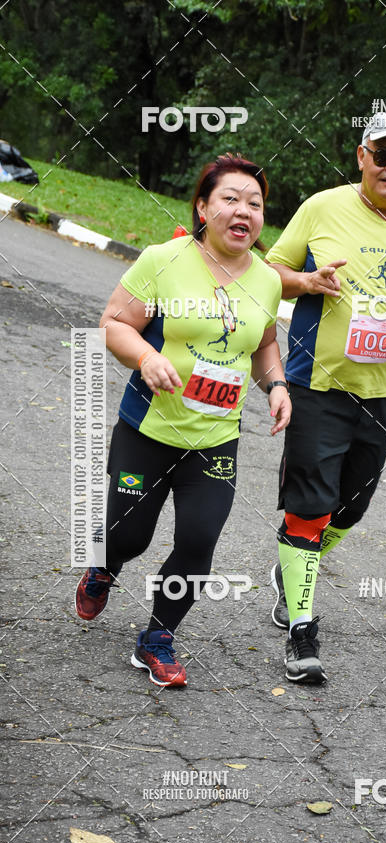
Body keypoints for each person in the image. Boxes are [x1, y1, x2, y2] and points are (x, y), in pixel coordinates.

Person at [75, 153, 291, 688]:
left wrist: (278, 386)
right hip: (146, 432)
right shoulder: (163, 260)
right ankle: (105, 564)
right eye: (230, 199)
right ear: (202, 206)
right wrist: (147, 358)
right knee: (128, 535)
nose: (244, 211)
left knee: (198, 541)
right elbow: (113, 325)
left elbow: (263, 345)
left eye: (255, 204)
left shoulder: (266, 280)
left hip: (215, 440)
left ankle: (157, 639)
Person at [266, 112, 386, 684]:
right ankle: (302, 628)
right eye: (385, 155)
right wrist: (306, 281)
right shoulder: (323, 207)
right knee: (308, 505)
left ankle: (291, 570)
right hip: (314, 384)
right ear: (362, 156)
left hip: (382, 393)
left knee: (349, 509)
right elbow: (269, 270)